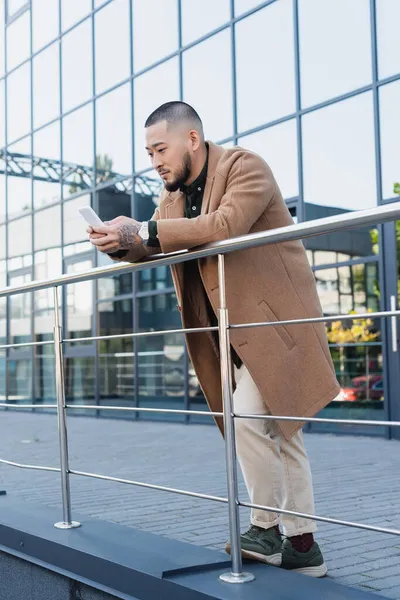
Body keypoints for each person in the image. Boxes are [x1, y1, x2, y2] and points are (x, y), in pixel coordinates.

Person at [88, 101, 340, 578]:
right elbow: (156, 241)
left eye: (160, 149)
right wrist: (120, 244)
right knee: (279, 433)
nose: (155, 161)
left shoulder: (245, 166)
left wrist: (144, 229)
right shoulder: (173, 197)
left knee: (250, 421)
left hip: (272, 326)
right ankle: (300, 545)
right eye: (148, 152)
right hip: (227, 334)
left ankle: (269, 531)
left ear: (192, 140)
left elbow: (224, 226)